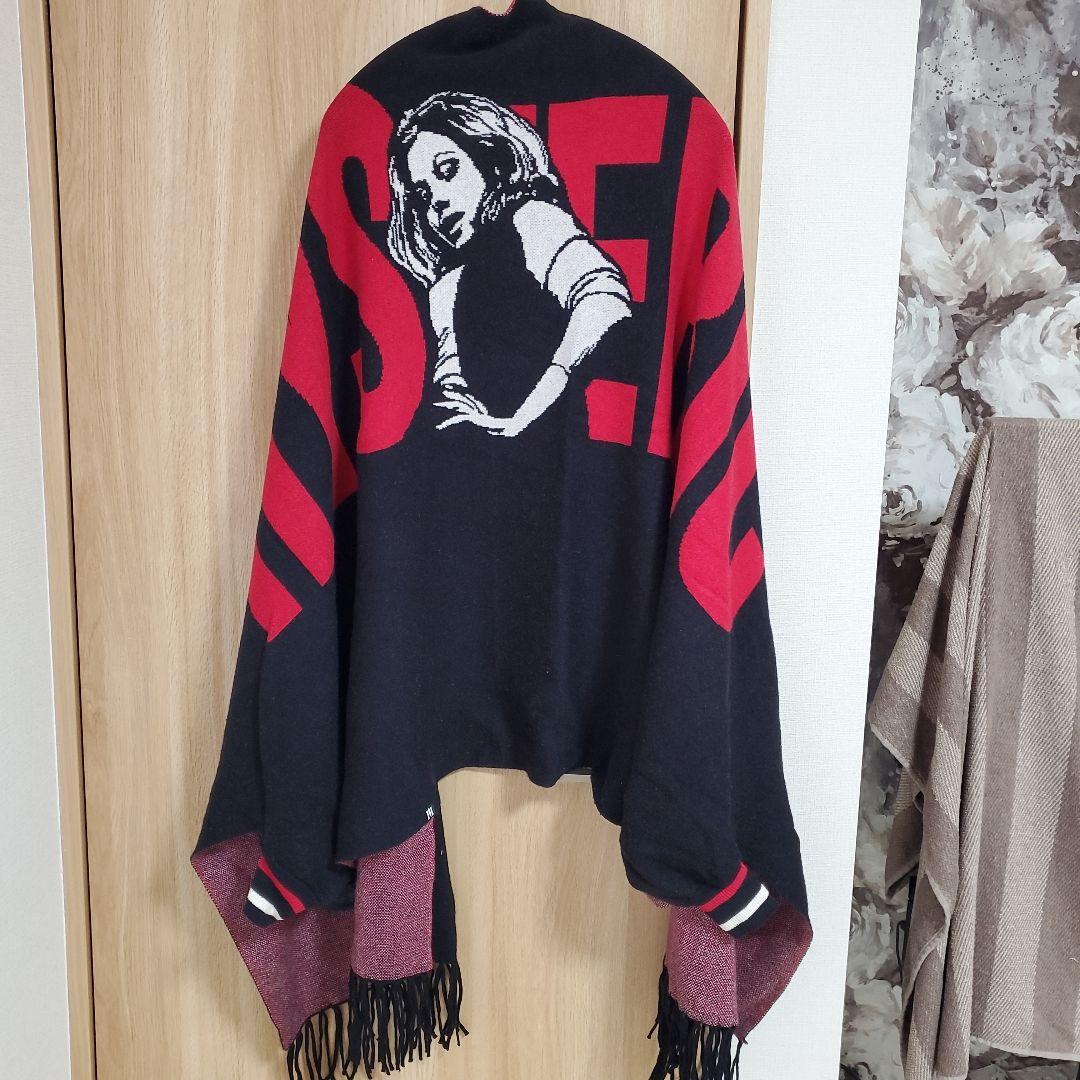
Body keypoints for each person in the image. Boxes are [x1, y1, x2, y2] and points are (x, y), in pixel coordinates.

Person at [386, 90, 633, 438]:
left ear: (490, 159)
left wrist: (525, 415)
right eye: (423, 195)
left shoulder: (532, 219)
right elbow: (451, 394)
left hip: (568, 448)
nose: (437, 201)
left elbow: (605, 301)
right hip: (479, 461)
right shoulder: (445, 289)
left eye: (448, 170)